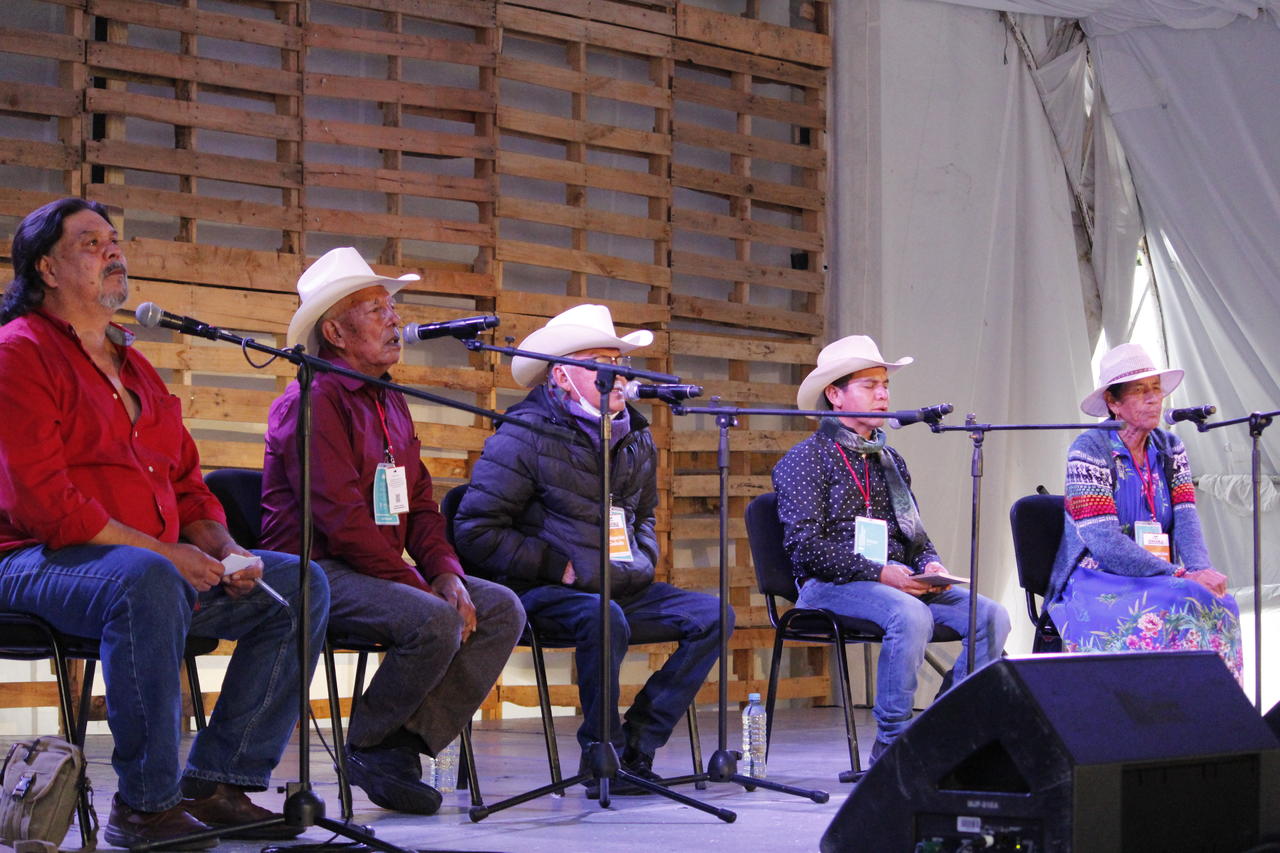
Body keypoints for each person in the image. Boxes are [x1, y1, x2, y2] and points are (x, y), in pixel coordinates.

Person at [0, 198, 329, 849]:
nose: (113, 251)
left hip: (138, 566)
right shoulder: (19, 352)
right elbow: (46, 503)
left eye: (115, 240)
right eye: (92, 243)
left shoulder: (137, 368)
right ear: (48, 267)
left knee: (299, 586)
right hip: (32, 559)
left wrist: (226, 547)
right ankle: (146, 805)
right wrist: (166, 552)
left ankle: (219, 781)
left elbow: (187, 486)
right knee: (145, 578)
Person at [260, 247, 524, 815]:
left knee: (500, 608)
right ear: (334, 331)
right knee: (432, 616)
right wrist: (418, 584)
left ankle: (403, 743)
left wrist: (446, 573)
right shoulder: (311, 400)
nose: (394, 319)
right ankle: (371, 741)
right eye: (375, 308)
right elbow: (341, 519)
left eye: (390, 307)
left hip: (376, 568)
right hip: (315, 571)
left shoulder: (390, 402)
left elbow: (421, 505)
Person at [452, 304, 729, 797]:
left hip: (621, 583)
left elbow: (643, 515)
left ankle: (635, 748)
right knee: (606, 618)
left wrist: (642, 558)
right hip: (542, 593)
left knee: (713, 615)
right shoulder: (523, 435)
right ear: (561, 375)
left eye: (618, 363)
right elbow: (475, 530)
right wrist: (554, 566)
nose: (617, 376)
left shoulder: (637, 438)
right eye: (599, 363)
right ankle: (600, 753)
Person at [772, 334, 1010, 763]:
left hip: (895, 581)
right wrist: (880, 573)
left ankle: (938, 729)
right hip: (829, 584)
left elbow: (912, 532)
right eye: (869, 385)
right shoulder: (805, 459)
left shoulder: (889, 459)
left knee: (991, 616)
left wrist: (928, 563)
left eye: (885, 385)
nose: (883, 394)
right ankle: (893, 745)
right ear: (835, 395)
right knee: (910, 613)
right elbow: (805, 546)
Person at [1046, 343, 1243, 681]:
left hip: (1159, 570)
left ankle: (1215, 713)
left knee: (1221, 602)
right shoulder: (1088, 449)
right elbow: (1103, 541)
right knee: (1174, 602)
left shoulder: (1170, 447)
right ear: (1113, 403)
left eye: (1156, 389)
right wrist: (1181, 575)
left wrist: (1200, 570)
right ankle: (1160, 712)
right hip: (1099, 575)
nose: (1154, 398)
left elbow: (1185, 516)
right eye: (1140, 391)